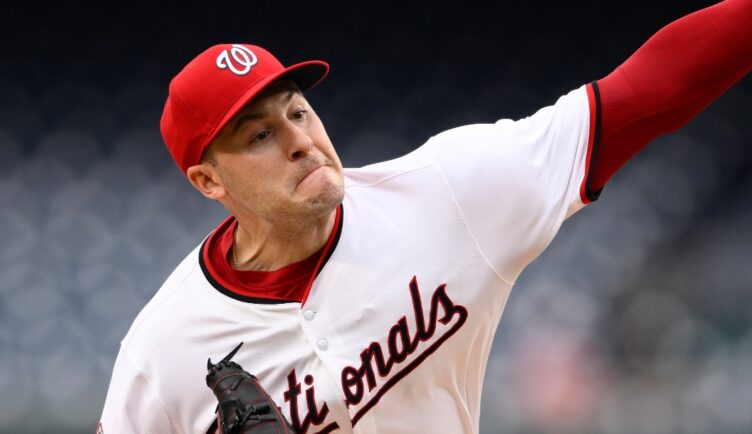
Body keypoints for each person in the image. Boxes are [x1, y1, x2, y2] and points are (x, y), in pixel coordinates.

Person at [98, 1, 751, 433]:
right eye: (258, 135)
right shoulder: (164, 350)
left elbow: (648, 92)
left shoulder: (448, 196)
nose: (298, 138)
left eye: (297, 111)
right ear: (209, 180)